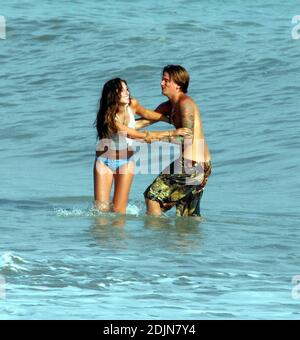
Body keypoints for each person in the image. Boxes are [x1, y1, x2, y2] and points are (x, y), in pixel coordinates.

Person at [93, 78, 192, 214]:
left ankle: (118, 234)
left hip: (125, 161)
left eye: (127, 89)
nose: (127, 92)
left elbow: (147, 114)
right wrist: (171, 133)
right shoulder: (109, 118)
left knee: (119, 211)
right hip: (104, 162)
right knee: (100, 210)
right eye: (122, 90)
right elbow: (133, 135)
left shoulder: (132, 105)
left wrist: (166, 119)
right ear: (112, 94)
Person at [144, 65, 212, 217]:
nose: (162, 83)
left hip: (192, 165)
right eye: (162, 79)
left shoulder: (185, 104)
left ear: (178, 84)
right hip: (200, 166)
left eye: (166, 80)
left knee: (152, 198)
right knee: (187, 214)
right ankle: (182, 241)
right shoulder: (169, 106)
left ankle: (155, 238)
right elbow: (143, 121)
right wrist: (117, 123)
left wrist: (154, 137)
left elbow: (186, 139)